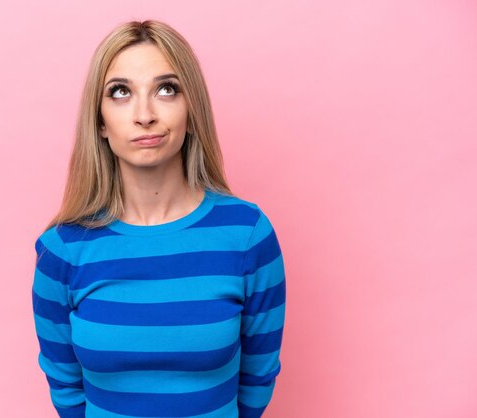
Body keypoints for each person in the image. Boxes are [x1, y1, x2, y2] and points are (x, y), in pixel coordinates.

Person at [31, 19, 286, 418]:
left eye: (166, 89)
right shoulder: (62, 250)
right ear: (99, 121)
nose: (144, 114)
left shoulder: (247, 236)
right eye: (120, 93)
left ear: (191, 108)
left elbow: (257, 380)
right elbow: (65, 388)